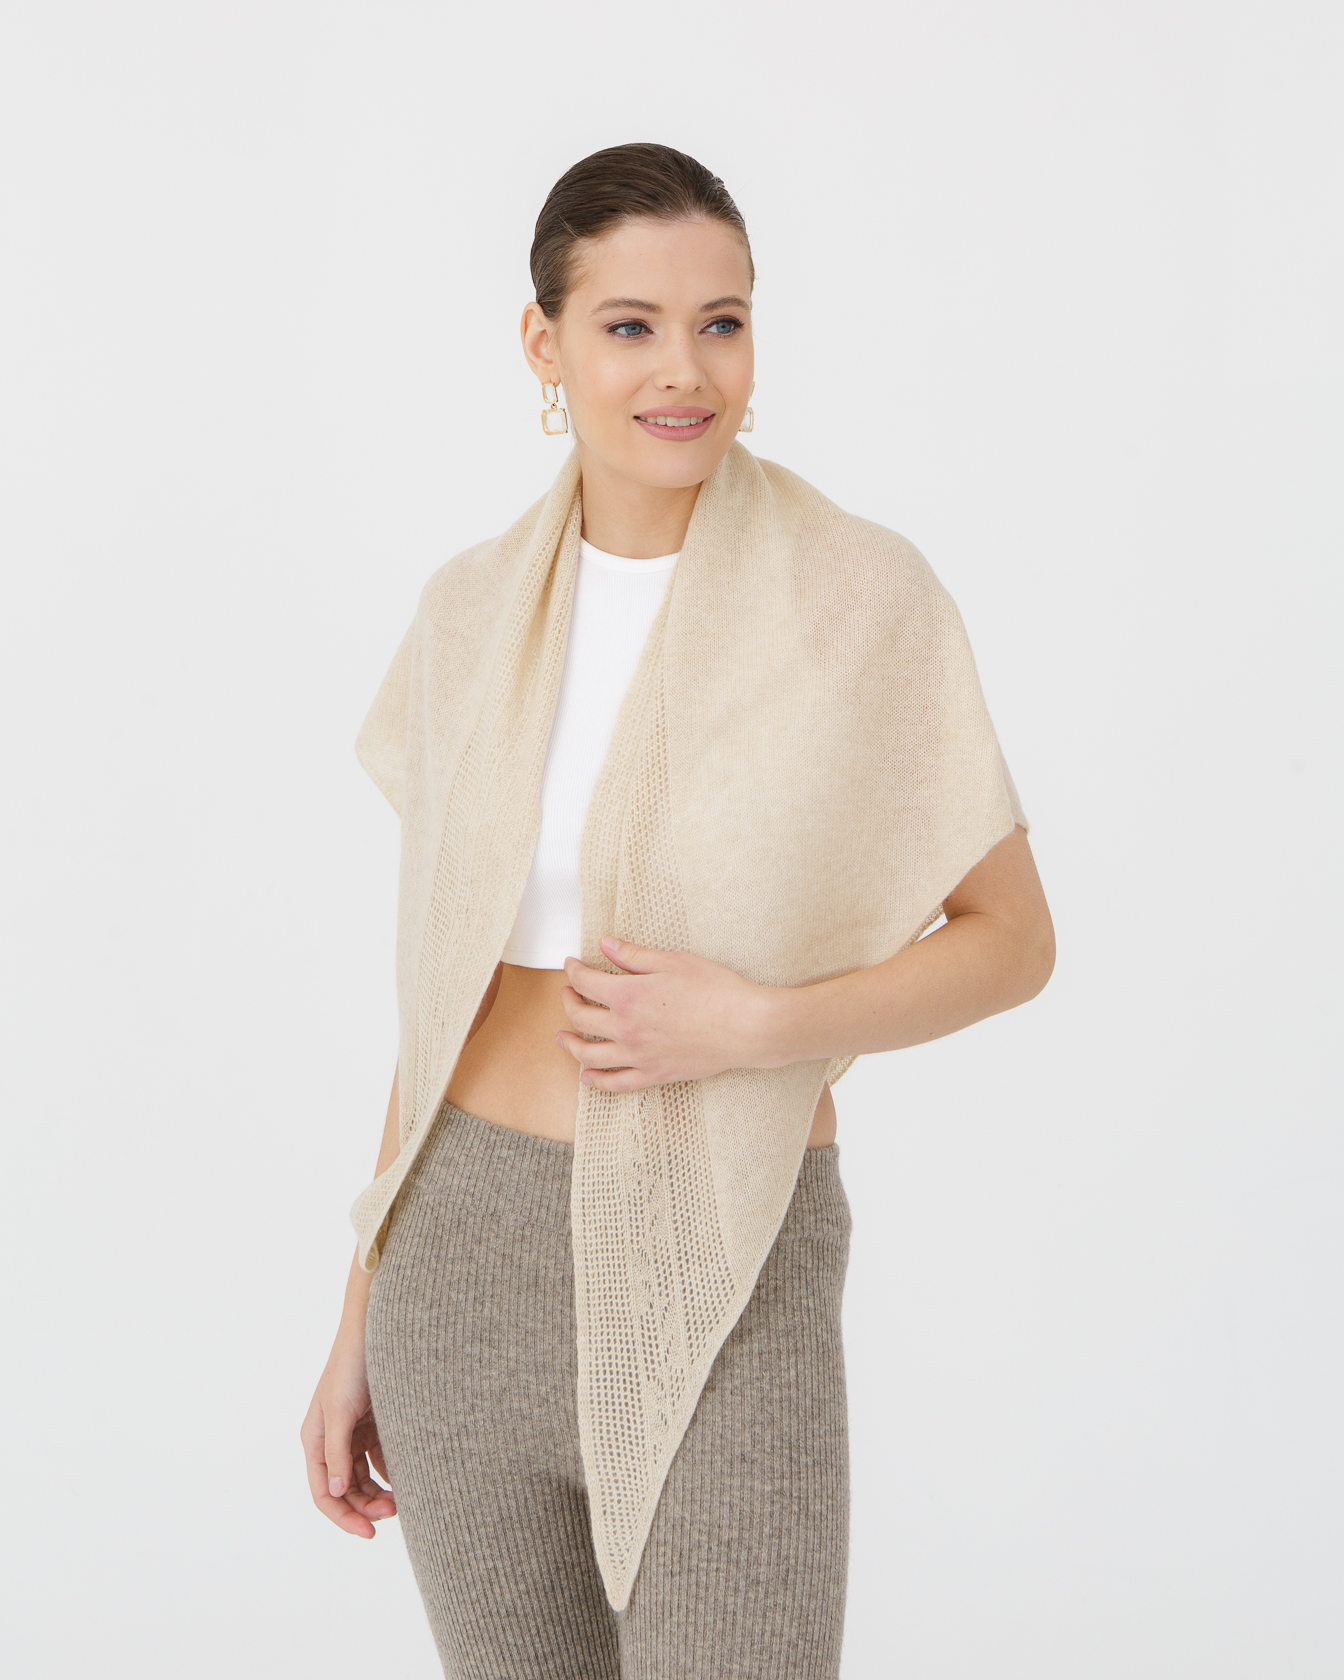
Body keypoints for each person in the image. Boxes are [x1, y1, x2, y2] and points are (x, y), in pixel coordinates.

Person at [301, 142, 1054, 1680]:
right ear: (545, 344)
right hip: (459, 1267)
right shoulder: (469, 614)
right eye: (630, 325)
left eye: (723, 322)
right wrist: (355, 1316)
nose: (684, 370)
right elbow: (437, 1005)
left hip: (727, 1258)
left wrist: (762, 1025)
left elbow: (1013, 940)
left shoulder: (860, 598)